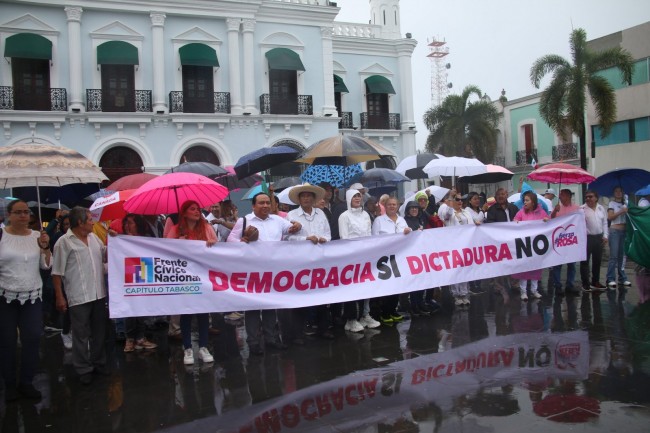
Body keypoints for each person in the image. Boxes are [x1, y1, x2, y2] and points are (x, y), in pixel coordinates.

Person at [227, 193, 301, 355]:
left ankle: (271, 339)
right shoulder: (244, 221)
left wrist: (297, 225)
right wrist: (243, 240)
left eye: (268, 202)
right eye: (261, 203)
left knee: (270, 306)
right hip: (252, 271)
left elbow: (292, 230)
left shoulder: (277, 220)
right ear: (253, 206)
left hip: (272, 271)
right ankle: (253, 342)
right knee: (253, 308)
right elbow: (230, 240)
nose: (266, 205)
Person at [0, 199, 52, 401]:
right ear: (9, 215)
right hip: (5, 296)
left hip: (32, 295)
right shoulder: (2, 236)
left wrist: (45, 248)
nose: (23, 216)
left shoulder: (39, 236)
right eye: (18, 212)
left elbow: (47, 265)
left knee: (32, 338)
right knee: (7, 341)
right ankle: (9, 384)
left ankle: (27, 382)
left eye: (26, 212)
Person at [52, 206, 108, 385]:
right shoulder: (64, 242)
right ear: (80, 223)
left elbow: (104, 254)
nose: (93, 223)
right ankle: (83, 368)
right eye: (90, 220)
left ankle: (99, 363)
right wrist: (60, 296)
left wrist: (117, 243)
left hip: (98, 293)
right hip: (78, 295)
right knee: (81, 334)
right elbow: (57, 272)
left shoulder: (93, 238)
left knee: (99, 332)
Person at [165, 200, 217, 365]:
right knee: (186, 313)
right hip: (185, 278)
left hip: (203, 276)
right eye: (192, 209)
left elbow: (218, 249)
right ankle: (187, 347)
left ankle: (203, 347)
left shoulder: (207, 228)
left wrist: (211, 244)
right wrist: (178, 244)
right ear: (184, 212)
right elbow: (165, 251)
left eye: (198, 209)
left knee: (203, 313)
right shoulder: (175, 230)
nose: (197, 212)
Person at [285, 184, 334, 340]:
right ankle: (298, 333)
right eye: (303, 196)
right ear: (299, 199)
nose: (306, 198)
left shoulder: (320, 213)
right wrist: (305, 239)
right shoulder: (291, 215)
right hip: (301, 261)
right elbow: (287, 238)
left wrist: (324, 239)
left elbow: (328, 233)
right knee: (301, 297)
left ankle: (323, 328)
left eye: (309, 196)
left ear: (314, 198)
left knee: (322, 295)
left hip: (320, 259)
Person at [338, 189, 380, 332]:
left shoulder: (366, 215)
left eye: (359, 196)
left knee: (366, 286)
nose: (357, 198)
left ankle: (364, 315)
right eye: (354, 196)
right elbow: (344, 238)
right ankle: (351, 319)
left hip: (365, 255)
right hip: (351, 257)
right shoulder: (344, 216)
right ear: (349, 198)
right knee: (352, 288)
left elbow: (368, 234)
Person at [120, 214, 158, 353]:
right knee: (130, 306)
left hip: (144, 271)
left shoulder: (145, 238)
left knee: (141, 306)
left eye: (130, 223)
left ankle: (140, 337)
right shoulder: (120, 239)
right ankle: (129, 338)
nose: (127, 226)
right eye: (126, 223)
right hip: (128, 273)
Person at [372, 197, 412, 324]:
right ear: (385, 205)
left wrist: (408, 231)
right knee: (386, 286)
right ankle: (384, 312)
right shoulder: (379, 220)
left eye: (394, 204)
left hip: (399, 258)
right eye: (389, 204)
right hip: (384, 259)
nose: (392, 206)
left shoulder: (402, 220)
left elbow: (408, 236)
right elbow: (374, 239)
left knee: (397, 286)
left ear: (398, 206)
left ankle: (393, 309)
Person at [439, 192, 477, 306]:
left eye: (461, 200)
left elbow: (472, 224)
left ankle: (464, 293)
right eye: (457, 199)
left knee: (465, 269)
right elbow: (446, 216)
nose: (460, 202)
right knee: (456, 269)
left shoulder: (466, 212)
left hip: (465, 244)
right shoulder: (449, 212)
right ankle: (456, 294)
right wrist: (450, 199)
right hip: (453, 245)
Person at [511, 191, 549, 301]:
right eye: (524, 200)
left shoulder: (540, 212)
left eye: (527, 200)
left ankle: (534, 290)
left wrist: (547, 220)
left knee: (536, 268)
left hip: (537, 245)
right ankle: (523, 291)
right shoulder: (521, 212)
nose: (525, 202)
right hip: (525, 245)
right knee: (524, 268)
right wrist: (516, 222)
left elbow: (548, 222)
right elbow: (515, 221)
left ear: (533, 202)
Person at [485, 188, 520, 300]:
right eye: (499, 194)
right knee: (499, 264)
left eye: (503, 194)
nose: (501, 196)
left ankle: (514, 283)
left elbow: (520, 220)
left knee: (515, 263)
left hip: (513, 240)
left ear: (507, 195)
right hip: (499, 242)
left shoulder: (514, 208)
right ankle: (498, 286)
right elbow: (490, 224)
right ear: (495, 197)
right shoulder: (492, 210)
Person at [550, 189, 580, 296]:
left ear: (568, 196)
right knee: (557, 264)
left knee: (571, 264)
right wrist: (554, 211)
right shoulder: (558, 208)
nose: (560, 197)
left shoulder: (577, 209)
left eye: (562, 195)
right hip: (560, 240)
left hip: (571, 241)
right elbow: (550, 221)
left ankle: (570, 285)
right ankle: (558, 286)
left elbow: (581, 223)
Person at [580, 190, 608, 292]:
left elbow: (605, 222)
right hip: (587, 238)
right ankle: (585, 283)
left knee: (597, 261)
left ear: (596, 198)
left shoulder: (601, 208)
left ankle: (595, 282)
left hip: (599, 237)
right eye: (586, 197)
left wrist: (605, 235)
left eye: (590, 197)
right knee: (585, 261)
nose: (588, 199)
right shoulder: (582, 209)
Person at [606, 186, 631, 288]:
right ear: (613, 193)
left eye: (620, 191)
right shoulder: (611, 204)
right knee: (614, 256)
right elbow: (610, 217)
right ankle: (610, 278)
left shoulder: (625, 204)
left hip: (624, 231)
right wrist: (621, 211)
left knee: (622, 256)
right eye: (616, 191)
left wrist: (626, 209)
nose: (618, 193)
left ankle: (622, 278)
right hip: (615, 231)